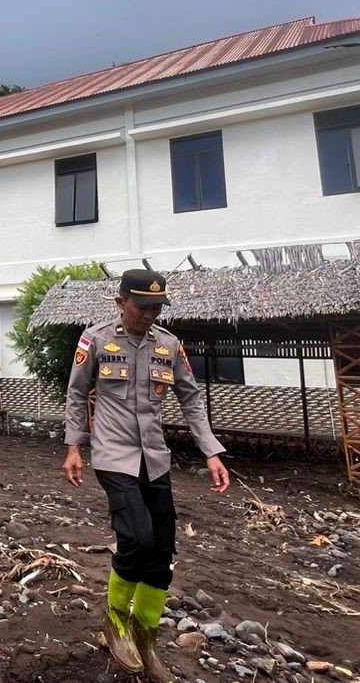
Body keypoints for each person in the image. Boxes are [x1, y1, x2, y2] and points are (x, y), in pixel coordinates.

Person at [63, 269, 230, 681]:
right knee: (136, 537)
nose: (150, 314)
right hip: (113, 456)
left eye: (157, 307)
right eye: (143, 306)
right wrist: (73, 447)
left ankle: (145, 638)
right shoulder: (97, 338)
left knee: (162, 553)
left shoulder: (169, 345)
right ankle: (115, 622)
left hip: (154, 459)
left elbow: (190, 399)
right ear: (121, 303)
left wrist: (211, 451)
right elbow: (76, 391)